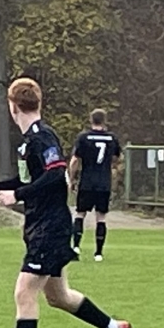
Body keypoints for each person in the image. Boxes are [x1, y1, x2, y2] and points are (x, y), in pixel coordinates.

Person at [0, 77, 131, 328]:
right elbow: (31, 178)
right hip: (43, 225)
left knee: (24, 292)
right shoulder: (30, 140)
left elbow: (56, 174)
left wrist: (18, 195)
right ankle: (114, 327)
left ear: (12, 106)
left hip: (50, 227)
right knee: (59, 296)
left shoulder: (42, 136)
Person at [68, 111, 118, 260]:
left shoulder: (84, 137)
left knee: (80, 213)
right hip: (104, 182)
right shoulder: (111, 138)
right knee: (101, 217)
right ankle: (98, 253)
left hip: (87, 182)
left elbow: (75, 161)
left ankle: (76, 247)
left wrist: (71, 178)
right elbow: (117, 158)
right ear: (105, 120)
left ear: (91, 120)